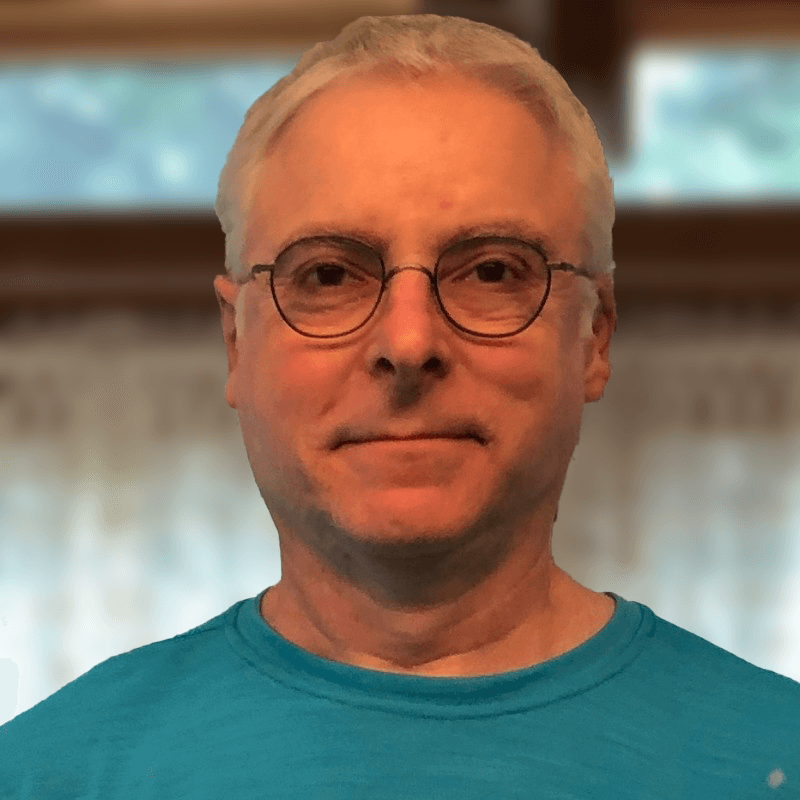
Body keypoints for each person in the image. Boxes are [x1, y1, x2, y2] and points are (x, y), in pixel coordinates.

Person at [3, 13, 798, 799]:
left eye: (491, 271)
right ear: (237, 343)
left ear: (593, 337)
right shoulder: (42, 777)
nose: (409, 342)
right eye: (328, 275)